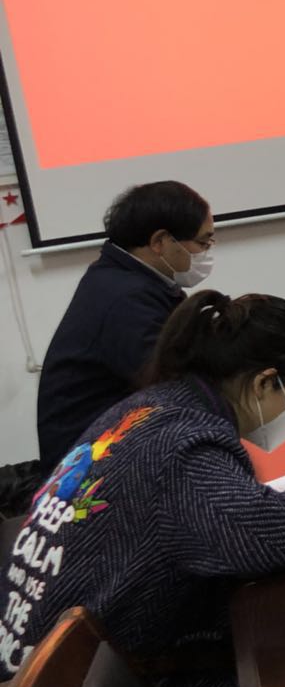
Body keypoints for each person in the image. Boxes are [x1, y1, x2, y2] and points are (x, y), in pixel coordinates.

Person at [2, 290, 285, 687]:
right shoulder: (183, 446)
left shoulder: (151, 405)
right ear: (265, 382)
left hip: (33, 666)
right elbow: (262, 537)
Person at [36, 181, 215, 470]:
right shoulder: (126, 298)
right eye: (203, 243)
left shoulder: (125, 278)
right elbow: (176, 385)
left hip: (109, 444)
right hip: (89, 468)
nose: (206, 252)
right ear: (160, 241)